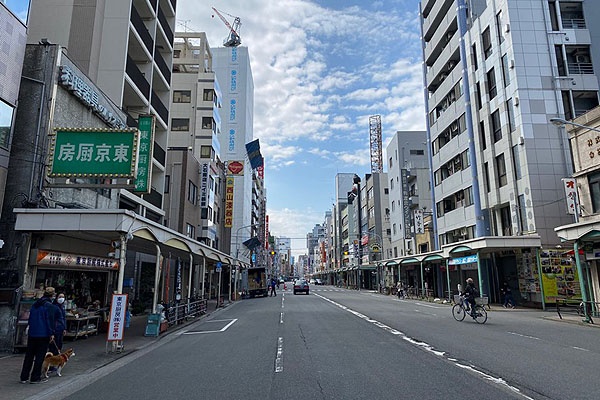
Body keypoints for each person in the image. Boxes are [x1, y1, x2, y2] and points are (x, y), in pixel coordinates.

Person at [20, 287, 57, 384]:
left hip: (33, 333)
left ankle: (24, 377)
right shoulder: (49, 306)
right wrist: (51, 333)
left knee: (29, 356)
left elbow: (30, 318)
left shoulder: (35, 304)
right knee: (40, 356)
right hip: (43, 334)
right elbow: (50, 321)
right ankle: (35, 377)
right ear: (52, 295)